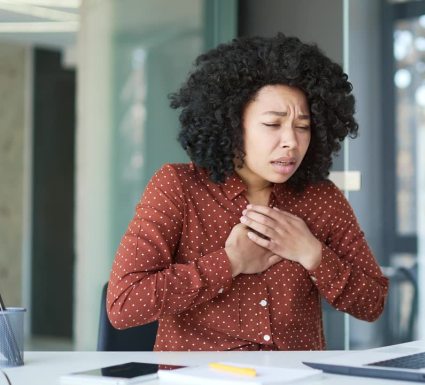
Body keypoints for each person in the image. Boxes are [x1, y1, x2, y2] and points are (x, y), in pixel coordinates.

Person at [106, 34, 389, 351]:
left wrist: (313, 254)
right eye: (273, 124)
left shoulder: (321, 199)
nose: (291, 142)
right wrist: (229, 262)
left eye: (303, 126)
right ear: (231, 123)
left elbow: (373, 303)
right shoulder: (178, 186)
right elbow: (124, 303)